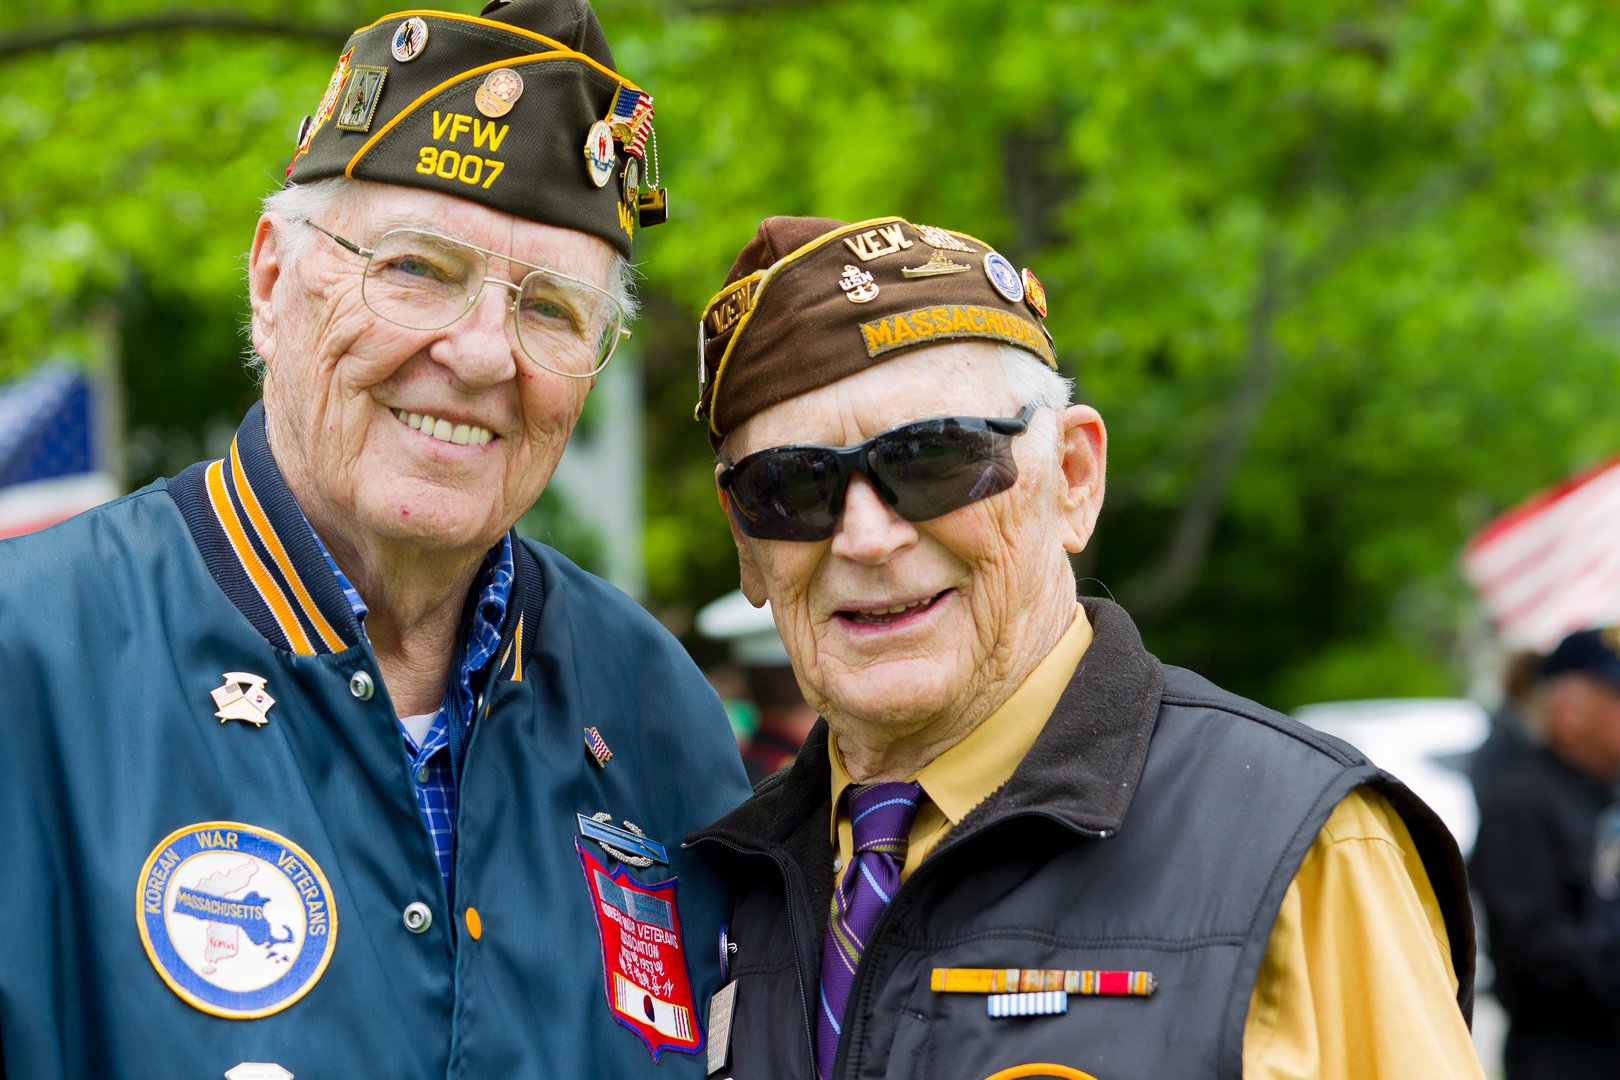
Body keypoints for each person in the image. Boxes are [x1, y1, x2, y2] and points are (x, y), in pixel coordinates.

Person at [0, 2, 748, 1075]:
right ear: (271, 281)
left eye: (550, 309)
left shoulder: (653, 709)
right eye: (419, 270)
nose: (482, 354)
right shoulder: (28, 657)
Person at [683, 215, 1483, 1079]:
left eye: (932, 458)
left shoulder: (1303, 849)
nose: (867, 537)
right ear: (745, 543)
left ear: (1072, 476)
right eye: (791, 486)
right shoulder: (714, 884)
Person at [1471, 626, 1620, 1079]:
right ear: (1570, 712)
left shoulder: (1604, 794)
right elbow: (1539, 957)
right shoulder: (1521, 806)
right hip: (1565, 1060)